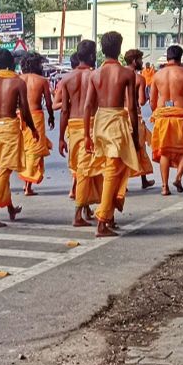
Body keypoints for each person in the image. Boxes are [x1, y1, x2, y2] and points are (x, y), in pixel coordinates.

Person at [83, 32, 140, 238]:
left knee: (112, 170)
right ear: (119, 49)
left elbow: (88, 105)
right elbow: (132, 107)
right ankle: (102, 221)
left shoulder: (95, 74)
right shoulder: (126, 73)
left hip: (100, 121)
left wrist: (87, 135)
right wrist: (135, 137)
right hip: (116, 121)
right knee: (112, 171)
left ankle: (109, 215)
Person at [0, 48, 37, 228]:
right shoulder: (18, 82)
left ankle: (10, 208)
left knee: (0, 171)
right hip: (11, 127)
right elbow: (25, 110)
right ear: (11, 62)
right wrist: (33, 128)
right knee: (4, 171)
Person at [58, 42, 102, 227]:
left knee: (82, 168)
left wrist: (61, 137)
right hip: (91, 125)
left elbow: (64, 111)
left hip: (73, 127)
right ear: (92, 56)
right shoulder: (96, 76)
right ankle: (78, 214)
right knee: (89, 170)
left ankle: (87, 209)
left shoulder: (67, 78)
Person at [150, 45, 183, 195]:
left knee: (164, 151)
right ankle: (178, 177)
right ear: (180, 57)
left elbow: (152, 101)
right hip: (180, 116)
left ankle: (164, 187)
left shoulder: (157, 75)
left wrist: (158, 113)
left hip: (163, 117)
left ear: (167, 58)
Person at [18, 52, 54, 196]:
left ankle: (26, 183)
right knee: (35, 150)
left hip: (21, 116)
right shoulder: (42, 80)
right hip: (36, 115)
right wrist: (51, 116)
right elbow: (49, 102)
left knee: (26, 149)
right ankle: (28, 185)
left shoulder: (18, 79)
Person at [124, 49, 156, 190]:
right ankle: (143, 179)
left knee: (123, 149)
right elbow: (142, 101)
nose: (142, 63)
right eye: (141, 60)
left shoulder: (118, 75)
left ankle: (122, 184)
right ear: (134, 61)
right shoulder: (139, 79)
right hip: (134, 115)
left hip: (119, 115)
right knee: (140, 146)